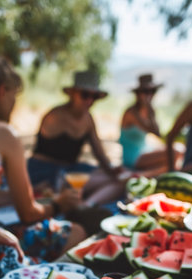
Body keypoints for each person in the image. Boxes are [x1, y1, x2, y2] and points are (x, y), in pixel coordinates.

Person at [0, 55, 87, 261]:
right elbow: (28, 214)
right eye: (14, 94)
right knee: (76, 232)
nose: (14, 102)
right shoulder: (5, 134)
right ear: (2, 91)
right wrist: (59, 204)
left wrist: (13, 195)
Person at [27, 70, 127, 206]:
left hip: (71, 169)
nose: (90, 101)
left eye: (94, 97)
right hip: (44, 171)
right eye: (85, 95)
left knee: (118, 180)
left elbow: (99, 153)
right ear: (73, 94)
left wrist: (111, 169)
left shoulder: (88, 119)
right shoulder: (56, 116)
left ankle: (87, 205)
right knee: (108, 181)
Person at [119, 74, 181, 177]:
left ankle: (151, 174)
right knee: (176, 152)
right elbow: (153, 131)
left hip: (144, 150)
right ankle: (142, 174)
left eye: (152, 91)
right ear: (138, 94)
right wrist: (150, 109)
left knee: (177, 154)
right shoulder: (131, 112)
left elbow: (158, 133)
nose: (149, 95)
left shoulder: (149, 111)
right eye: (145, 92)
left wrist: (151, 111)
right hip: (133, 157)